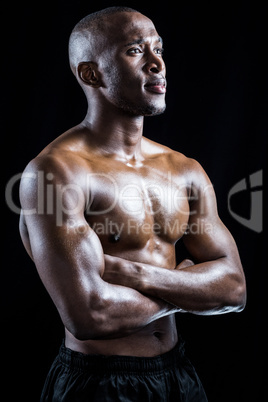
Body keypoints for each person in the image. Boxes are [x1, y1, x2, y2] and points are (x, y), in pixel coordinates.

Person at [19, 6, 246, 402]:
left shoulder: (184, 169)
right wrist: (189, 285)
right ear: (91, 74)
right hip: (98, 383)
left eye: (159, 48)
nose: (157, 63)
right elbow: (91, 315)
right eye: (135, 51)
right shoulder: (57, 173)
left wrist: (137, 275)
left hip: (180, 373)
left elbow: (234, 290)